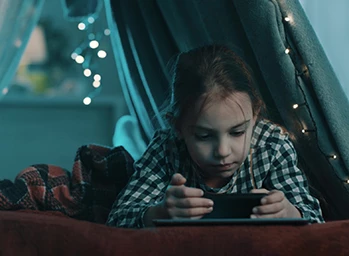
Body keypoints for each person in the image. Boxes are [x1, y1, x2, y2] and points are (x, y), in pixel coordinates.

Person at [106, 44, 324, 228]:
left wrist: (289, 213)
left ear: (255, 114)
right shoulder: (166, 148)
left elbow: (315, 221)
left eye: (238, 132)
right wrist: (158, 213)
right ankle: (127, 133)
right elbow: (116, 220)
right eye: (204, 136)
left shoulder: (273, 144)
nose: (222, 151)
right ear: (178, 127)